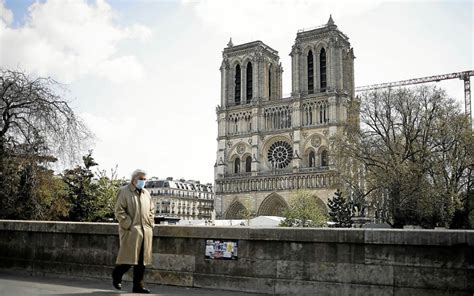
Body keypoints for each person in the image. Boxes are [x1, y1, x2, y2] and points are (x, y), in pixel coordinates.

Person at [112, 169, 155, 294]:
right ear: (134, 179)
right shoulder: (124, 191)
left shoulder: (146, 193)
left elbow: (152, 210)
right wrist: (129, 225)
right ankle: (117, 275)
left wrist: (150, 224)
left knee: (142, 261)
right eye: (141, 179)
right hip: (131, 231)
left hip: (145, 231)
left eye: (145, 179)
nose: (143, 181)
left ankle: (138, 286)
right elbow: (119, 211)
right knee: (128, 260)